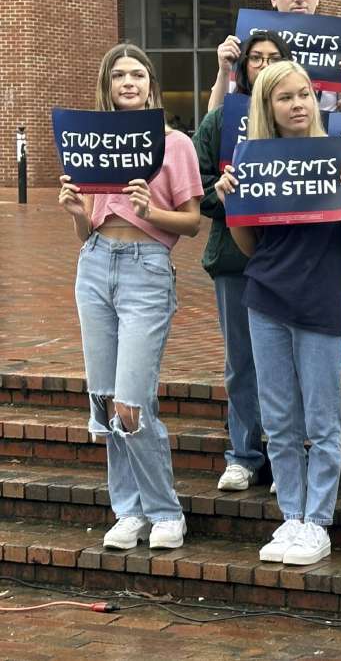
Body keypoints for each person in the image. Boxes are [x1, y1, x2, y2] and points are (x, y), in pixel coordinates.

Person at [213, 60, 341, 566]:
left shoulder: (339, 157)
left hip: (321, 301)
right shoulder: (251, 159)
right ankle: (291, 514)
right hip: (265, 299)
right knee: (280, 420)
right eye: (285, 97)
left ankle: (318, 520)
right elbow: (246, 244)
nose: (298, 103)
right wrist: (231, 201)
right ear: (268, 106)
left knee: (321, 420)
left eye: (304, 93)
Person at [58, 43, 203, 551]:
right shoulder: (94, 143)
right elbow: (87, 230)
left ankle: (165, 510)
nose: (128, 82)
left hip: (146, 268)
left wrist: (150, 209)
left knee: (131, 402)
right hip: (95, 263)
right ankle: (128, 510)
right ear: (107, 84)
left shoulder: (174, 143)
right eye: (118, 74)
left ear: (150, 84)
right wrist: (78, 210)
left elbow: (191, 221)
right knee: (103, 400)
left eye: (137, 74)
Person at [194, 31, 292, 492]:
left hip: (291, 260)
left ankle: (285, 453)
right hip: (235, 259)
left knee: (288, 360)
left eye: (274, 59)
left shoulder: (300, 120)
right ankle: (244, 453)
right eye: (257, 59)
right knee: (241, 363)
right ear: (243, 68)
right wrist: (228, 197)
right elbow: (197, 186)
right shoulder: (221, 121)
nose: (264, 66)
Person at [206, 0, 341, 113]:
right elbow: (214, 115)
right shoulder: (251, 45)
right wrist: (224, 71)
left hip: (317, 139)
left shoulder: (339, 52)